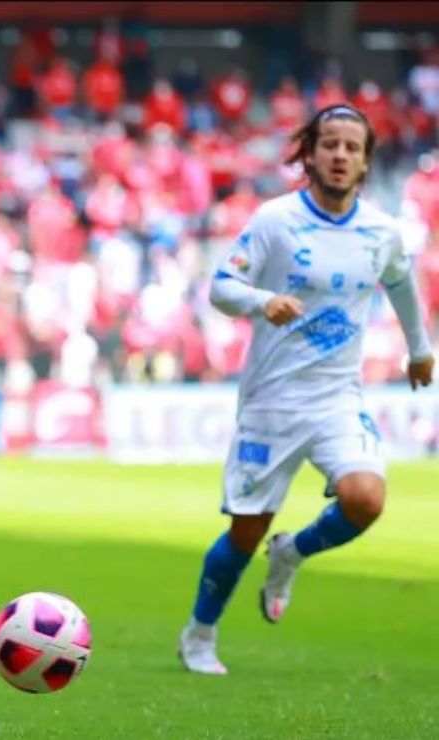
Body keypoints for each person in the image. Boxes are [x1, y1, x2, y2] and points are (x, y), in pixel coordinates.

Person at [179, 105, 434, 675]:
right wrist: (260, 301)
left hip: (338, 397)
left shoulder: (381, 232)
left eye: (352, 147)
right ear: (310, 154)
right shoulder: (275, 221)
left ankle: (293, 553)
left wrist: (419, 349)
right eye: (330, 145)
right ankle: (199, 634)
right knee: (245, 534)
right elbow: (222, 286)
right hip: (271, 401)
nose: (340, 156)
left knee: (366, 498)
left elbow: (401, 284)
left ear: (366, 161)